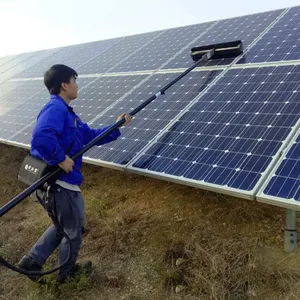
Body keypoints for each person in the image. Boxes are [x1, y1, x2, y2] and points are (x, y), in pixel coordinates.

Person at [18, 64, 132, 283]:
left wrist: (117, 126)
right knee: (73, 229)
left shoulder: (68, 115)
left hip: (51, 183)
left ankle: (32, 262)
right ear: (64, 85)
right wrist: (60, 159)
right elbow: (41, 137)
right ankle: (67, 275)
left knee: (61, 227)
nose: (76, 85)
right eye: (74, 81)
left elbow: (90, 136)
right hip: (59, 183)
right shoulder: (56, 108)